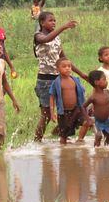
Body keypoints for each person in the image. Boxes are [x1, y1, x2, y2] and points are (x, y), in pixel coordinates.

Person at [33, 11, 87, 142]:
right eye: (50, 20)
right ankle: (37, 141)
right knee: (46, 114)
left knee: (68, 109)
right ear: (42, 23)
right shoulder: (38, 36)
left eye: (55, 21)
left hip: (59, 79)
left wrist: (81, 74)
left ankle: (62, 135)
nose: (54, 23)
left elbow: (64, 59)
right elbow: (46, 39)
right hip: (45, 80)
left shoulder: (57, 38)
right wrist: (63, 27)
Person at [49, 57, 88, 145]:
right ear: (58, 69)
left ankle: (80, 139)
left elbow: (81, 92)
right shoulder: (56, 82)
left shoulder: (75, 80)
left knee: (86, 122)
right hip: (64, 112)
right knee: (64, 135)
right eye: (64, 66)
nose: (67, 68)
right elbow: (52, 97)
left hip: (77, 109)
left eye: (69, 66)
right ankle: (63, 150)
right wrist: (52, 112)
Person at [83, 70, 109, 146]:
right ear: (96, 82)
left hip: (107, 120)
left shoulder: (107, 93)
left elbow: (108, 104)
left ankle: (105, 151)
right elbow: (83, 107)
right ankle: (96, 149)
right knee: (99, 136)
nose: (106, 81)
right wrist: (88, 119)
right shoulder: (93, 97)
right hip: (98, 121)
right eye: (104, 79)